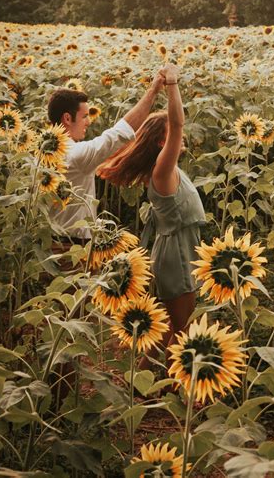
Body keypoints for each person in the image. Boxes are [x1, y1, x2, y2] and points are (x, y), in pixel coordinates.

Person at [97, 63, 205, 367]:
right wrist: (171, 85)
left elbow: (176, 127)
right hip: (177, 252)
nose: (179, 138)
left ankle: (144, 385)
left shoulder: (166, 170)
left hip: (177, 249)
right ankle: (169, 388)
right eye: (171, 136)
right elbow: (178, 123)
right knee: (183, 326)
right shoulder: (162, 168)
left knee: (173, 325)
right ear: (162, 141)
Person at [47, 72, 166, 246]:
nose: (88, 122)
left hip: (48, 244)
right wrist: (152, 91)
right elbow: (118, 134)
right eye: (84, 116)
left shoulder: (42, 152)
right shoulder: (75, 155)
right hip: (70, 248)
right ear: (67, 118)